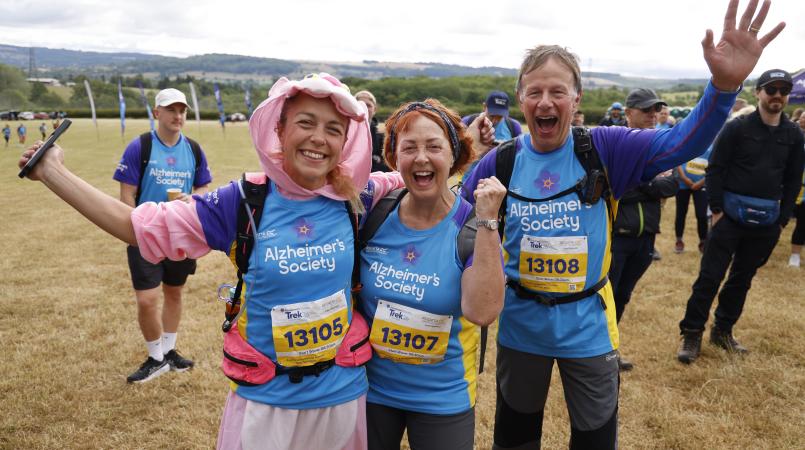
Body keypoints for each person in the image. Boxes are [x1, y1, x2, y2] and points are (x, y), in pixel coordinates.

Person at [19, 73, 403, 449]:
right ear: (280, 130)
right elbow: (138, 226)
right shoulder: (241, 202)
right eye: (306, 122)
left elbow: (415, 180)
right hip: (265, 403)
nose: (319, 137)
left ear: (345, 142)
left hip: (342, 397)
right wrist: (53, 171)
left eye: (334, 129)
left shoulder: (358, 197)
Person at [460, 2, 784, 447]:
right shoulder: (502, 160)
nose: (545, 102)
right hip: (520, 328)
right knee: (515, 439)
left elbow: (679, 142)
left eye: (558, 91)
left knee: (595, 440)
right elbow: (453, 222)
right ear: (521, 99)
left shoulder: (605, 147)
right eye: (534, 92)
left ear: (576, 99)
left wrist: (723, 87)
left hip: (589, 328)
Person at [359, 99, 505, 450]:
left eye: (434, 147)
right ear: (395, 158)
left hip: (443, 399)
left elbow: (483, 312)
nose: (421, 158)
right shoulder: (374, 213)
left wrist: (489, 222)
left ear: (453, 157)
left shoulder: (474, 226)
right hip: (369, 392)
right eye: (409, 148)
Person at [677, 68, 804, 364]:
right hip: (728, 219)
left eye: (783, 91)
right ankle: (692, 333)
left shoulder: (793, 135)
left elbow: (794, 179)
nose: (777, 96)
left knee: (742, 279)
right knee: (709, 277)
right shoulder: (737, 127)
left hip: (767, 222)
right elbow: (716, 169)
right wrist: (718, 210)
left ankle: (723, 331)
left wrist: (782, 219)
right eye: (771, 90)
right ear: (758, 93)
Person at [112, 88, 212, 383]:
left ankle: (169, 352)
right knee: (146, 300)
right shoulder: (140, 146)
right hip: (145, 235)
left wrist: (191, 199)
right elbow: (126, 194)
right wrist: (132, 233)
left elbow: (203, 187)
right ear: (157, 113)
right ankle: (155, 357)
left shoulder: (193, 149)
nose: (177, 116)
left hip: (180, 235)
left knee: (174, 292)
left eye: (182, 110)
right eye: (171, 110)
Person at [609, 88, 678, 371]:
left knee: (623, 295)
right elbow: (615, 189)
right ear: (628, 113)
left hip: (645, 237)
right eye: (646, 110)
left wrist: (640, 184)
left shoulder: (660, 146)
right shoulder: (612, 145)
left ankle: (610, 350)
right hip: (617, 238)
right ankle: (601, 353)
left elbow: (673, 185)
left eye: (655, 110)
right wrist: (650, 186)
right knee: (607, 298)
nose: (653, 115)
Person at [674, 145, 712, 254]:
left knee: (701, 214)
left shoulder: (713, 147)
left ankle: (703, 242)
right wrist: (684, 178)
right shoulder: (690, 142)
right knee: (681, 213)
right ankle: (679, 240)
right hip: (683, 184)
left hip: (701, 185)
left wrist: (701, 183)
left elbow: (713, 166)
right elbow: (678, 160)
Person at [355, 90, 389, 172]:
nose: (364, 108)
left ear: (375, 110)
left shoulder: (382, 133)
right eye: (360, 104)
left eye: (368, 105)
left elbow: (387, 161)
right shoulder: (344, 129)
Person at [790, 111, 805, 267]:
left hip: (803, 190)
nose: (803, 120)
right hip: (789, 187)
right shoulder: (792, 135)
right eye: (802, 117)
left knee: (802, 224)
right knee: (778, 221)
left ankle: (795, 255)